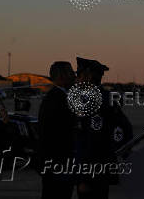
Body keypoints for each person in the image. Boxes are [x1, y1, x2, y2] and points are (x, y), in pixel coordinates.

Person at [74, 57, 133, 199]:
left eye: (79, 75)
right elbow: (125, 129)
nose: (77, 80)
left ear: (88, 76)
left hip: (90, 172)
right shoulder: (107, 97)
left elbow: (88, 141)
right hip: (104, 168)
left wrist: (83, 178)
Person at [37, 61, 76, 199]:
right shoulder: (56, 100)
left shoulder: (58, 97)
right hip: (58, 163)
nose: (74, 75)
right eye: (70, 72)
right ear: (61, 76)